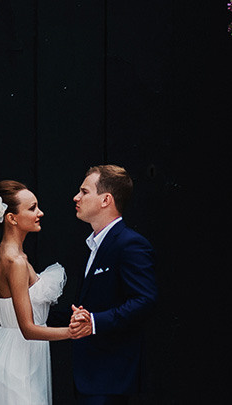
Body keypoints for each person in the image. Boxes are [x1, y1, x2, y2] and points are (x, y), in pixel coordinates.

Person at [55, 164, 156, 403]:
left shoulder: (130, 244)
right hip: (88, 377)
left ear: (106, 200)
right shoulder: (93, 246)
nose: (76, 197)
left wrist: (95, 322)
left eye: (84, 191)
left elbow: (144, 300)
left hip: (111, 378)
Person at [0, 179, 72, 405]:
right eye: (32, 208)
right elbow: (27, 328)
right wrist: (72, 333)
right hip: (19, 367)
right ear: (11, 218)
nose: (40, 213)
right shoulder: (15, 262)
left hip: (3, 360)